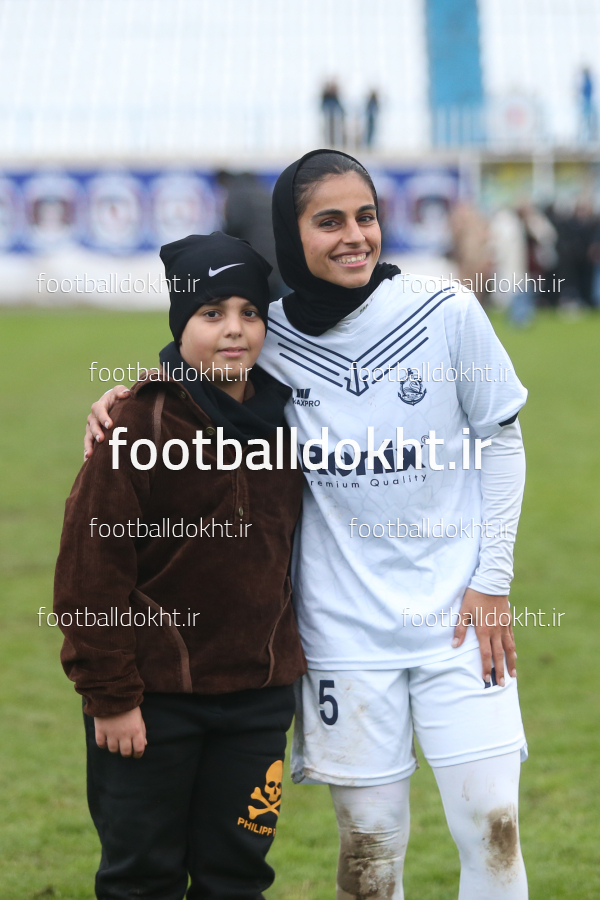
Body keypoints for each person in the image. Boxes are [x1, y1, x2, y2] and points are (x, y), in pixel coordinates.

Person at [86, 150, 529, 900]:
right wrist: (122, 402)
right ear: (291, 237)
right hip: (340, 634)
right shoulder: (271, 336)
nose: (355, 236)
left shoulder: (447, 312)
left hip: (460, 621)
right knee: (369, 850)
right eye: (329, 222)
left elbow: (503, 441)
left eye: (366, 217)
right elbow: (198, 376)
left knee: (492, 828)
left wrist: (492, 581)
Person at [55, 232, 307, 899]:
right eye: (211, 313)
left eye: (249, 312)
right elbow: (89, 576)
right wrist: (112, 699)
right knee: (143, 879)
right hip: (150, 704)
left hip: (257, 704)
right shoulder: (137, 425)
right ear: (180, 322)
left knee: (237, 879)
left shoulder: (293, 421)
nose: (234, 330)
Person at [216, 170, 285, 301]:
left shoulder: (237, 194)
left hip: (253, 264)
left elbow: (233, 227)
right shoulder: (264, 193)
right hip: (275, 265)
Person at [321, 81, 346, 147]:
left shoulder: (334, 96)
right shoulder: (326, 95)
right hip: (328, 116)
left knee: (335, 130)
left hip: (334, 116)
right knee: (328, 129)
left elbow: (339, 104)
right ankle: (329, 143)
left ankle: (333, 143)